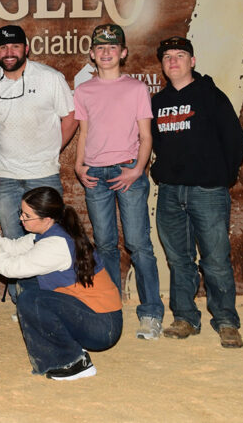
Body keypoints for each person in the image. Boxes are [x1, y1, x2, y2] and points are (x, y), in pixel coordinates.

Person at [151, 36, 243, 348]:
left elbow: (234, 138)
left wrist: (221, 177)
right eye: (168, 56)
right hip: (170, 192)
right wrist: (161, 173)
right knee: (179, 259)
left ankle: (227, 321)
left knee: (215, 259)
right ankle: (185, 318)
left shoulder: (210, 95)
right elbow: (154, 143)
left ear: (192, 61)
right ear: (162, 65)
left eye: (180, 55)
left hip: (208, 191)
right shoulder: (158, 102)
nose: (173, 61)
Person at [73, 23, 164, 340]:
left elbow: (146, 135)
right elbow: (84, 132)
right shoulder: (84, 91)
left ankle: (151, 313)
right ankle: (111, 310)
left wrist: (138, 169)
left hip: (128, 172)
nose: (106, 52)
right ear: (92, 54)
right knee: (105, 245)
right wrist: (78, 165)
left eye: (112, 47)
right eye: (100, 47)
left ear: (123, 53)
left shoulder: (136, 89)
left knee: (138, 245)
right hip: (95, 174)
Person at [0, 187, 122, 381]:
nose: (21, 219)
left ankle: (73, 362)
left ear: (46, 219)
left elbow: (11, 268)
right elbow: (14, 247)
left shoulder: (55, 245)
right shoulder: (50, 232)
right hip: (93, 315)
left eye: (27, 216)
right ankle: (69, 342)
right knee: (28, 284)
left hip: (103, 327)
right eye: (21, 213)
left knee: (31, 300)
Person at [0, 25, 77, 301]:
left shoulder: (50, 78)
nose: (9, 52)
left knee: (48, 239)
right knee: (12, 241)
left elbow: (70, 118)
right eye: (3, 47)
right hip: (5, 177)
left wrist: (52, 150)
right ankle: (21, 301)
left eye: (15, 46)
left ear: (26, 48)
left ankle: (51, 298)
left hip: (43, 174)